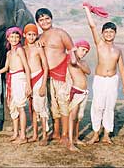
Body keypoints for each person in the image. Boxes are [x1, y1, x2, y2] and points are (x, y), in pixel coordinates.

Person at [83, 3, 124, 145]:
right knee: (97, 106)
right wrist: (87, 10)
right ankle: (96, 133)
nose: (109, 34)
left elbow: (121, 68)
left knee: (110, 107)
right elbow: (92, 26)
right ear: (102, 34)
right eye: (106, 32)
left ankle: (107, 134)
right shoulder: (100, 44)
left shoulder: (118, 50)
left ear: (115, 33)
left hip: (112, 80)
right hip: (100, 80)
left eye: (111, 32)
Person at [35, 8, 78, 147]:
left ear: (51, 19)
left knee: (63, 103)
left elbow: (72, 50)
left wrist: (74, 68)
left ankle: (65, 134)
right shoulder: (39, 37)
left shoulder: (60, 33)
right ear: (38, 22)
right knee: (53, 104)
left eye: (47, 18)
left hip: (62, 73)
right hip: (47, 75)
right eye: (41, 20)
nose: (45, 21)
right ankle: (56, 132)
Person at [0, 26, 32, 144]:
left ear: (20, 38)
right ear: (8, 38)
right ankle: (15, 133)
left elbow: (26, 67)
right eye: (12, 36)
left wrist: (28, 85)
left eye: (16, 37)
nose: (14, 39)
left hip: (20, 78)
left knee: (20, 107)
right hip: (11, 78)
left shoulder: (20, 50)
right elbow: (6, 68)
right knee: (13, 106)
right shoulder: (9, 52)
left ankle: (23, 136)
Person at [22, 23, 49, 146]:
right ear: (24, 35)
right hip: (28, 80)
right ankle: (34, 134)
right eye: (29, 35)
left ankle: (44, 135)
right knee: (32, 108)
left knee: (42, 108)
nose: (31, 37)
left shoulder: (39, 48)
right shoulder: (23, 49)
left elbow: (46, 66)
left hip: (39, 78)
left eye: (34, 35)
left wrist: (43, 84)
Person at [67, 40, 91, 151]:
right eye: (82, 50)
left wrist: (79, 63)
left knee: (78, 118)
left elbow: (88, 71)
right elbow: (73, 61)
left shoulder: (83, 62)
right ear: (77, 48)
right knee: (72, 116)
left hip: (84, 92)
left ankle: (76, 138)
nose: (84, 53)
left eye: (86, 51)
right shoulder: (71, 60)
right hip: (76, 91)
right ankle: (70, 142)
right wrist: (72, 51)